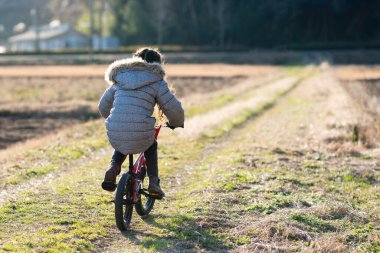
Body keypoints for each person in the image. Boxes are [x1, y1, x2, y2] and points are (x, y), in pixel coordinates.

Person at [98, 48, 184, 199]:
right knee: (151, 144)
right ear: (157, 64)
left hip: (115, 128)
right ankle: (153, 183)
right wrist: (176, 122)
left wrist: (114, 118)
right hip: (141, 131)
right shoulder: (156, 81)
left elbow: (103, 107)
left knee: (123, 141)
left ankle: (112, 169)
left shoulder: (120, 77)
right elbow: (173, 107)